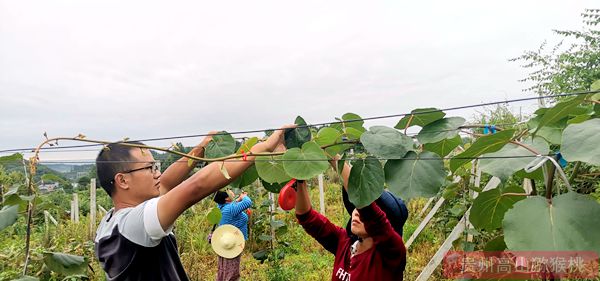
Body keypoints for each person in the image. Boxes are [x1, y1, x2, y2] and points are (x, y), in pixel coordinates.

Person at [94, 125, 293, 281]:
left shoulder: (111, 222)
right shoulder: (134, 225)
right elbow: (194, 187)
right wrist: (262, 148)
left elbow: (167, 182)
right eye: (150, 168)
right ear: (122, 180)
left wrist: (201, 148)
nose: (158, 173)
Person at [293, 158, 407, 280]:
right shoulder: (344, 242)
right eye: (355, 207)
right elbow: (306, 217)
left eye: (362, 209)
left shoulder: (392, 254)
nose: (357, 213)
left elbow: (371, 214)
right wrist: (300, 180)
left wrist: (333, 157)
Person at [212, 190, 252, 281]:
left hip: (224, 242)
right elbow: (248, 202)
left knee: (223, 268)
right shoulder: (231, 208)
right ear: (226, 198)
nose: (232, 192)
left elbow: (233, 205)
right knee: (232, 270)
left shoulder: (221, 207)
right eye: (229, 193)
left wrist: (238, 200)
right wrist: (243, 197)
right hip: (233, 243)